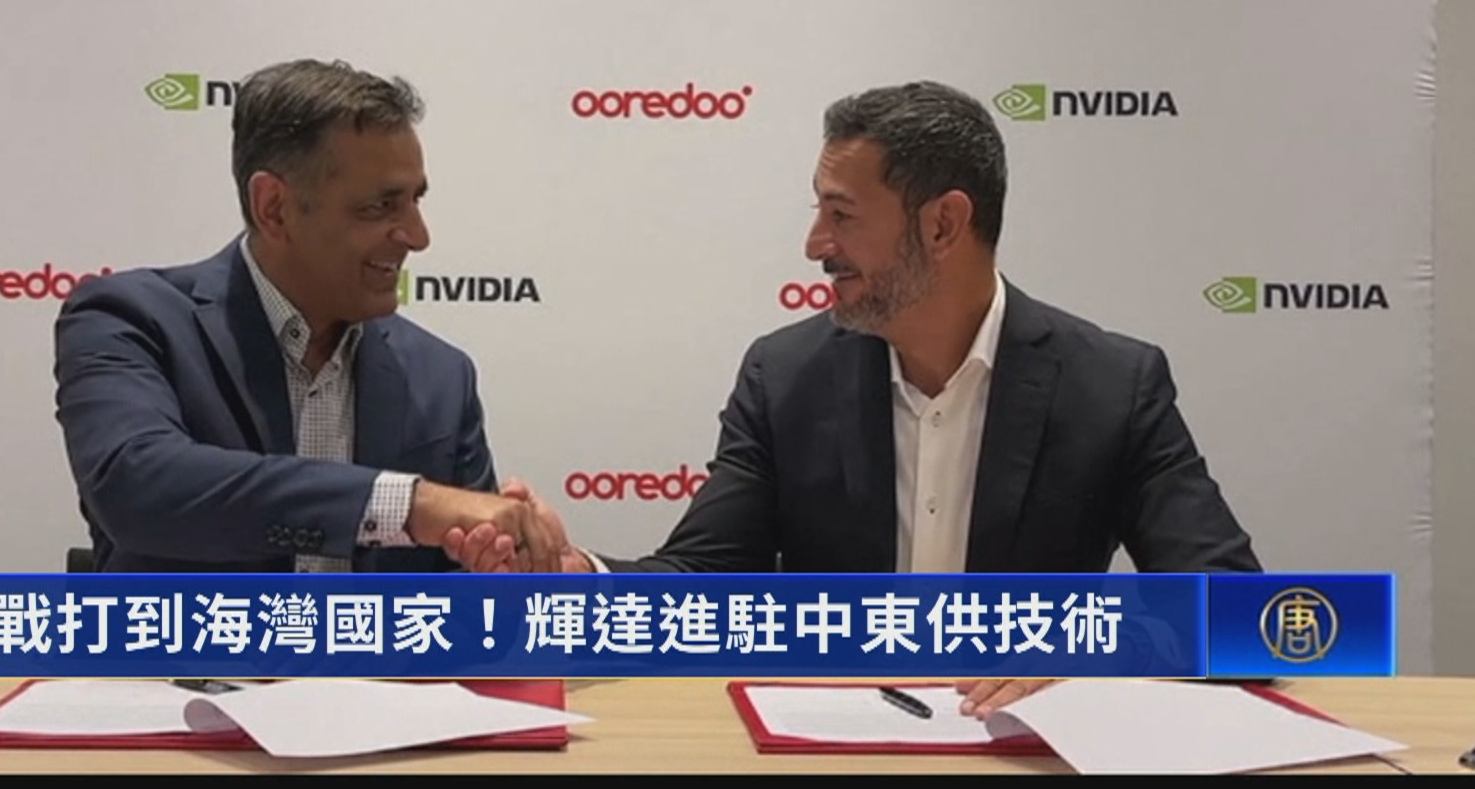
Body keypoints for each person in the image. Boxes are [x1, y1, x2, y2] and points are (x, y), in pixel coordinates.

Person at [445, 80, 1259, 715]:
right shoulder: (786, 376)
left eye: (842, 215)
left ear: (943, 225)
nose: (815, 245)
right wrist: (577, 580)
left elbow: (1242, 612)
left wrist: (1091, 648)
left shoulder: (1110, 384)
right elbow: (705, 582)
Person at [54, 58, 557, 574]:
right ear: (274, 207)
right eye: (381, 206)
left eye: (415, 200)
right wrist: (408, 505)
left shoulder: (441, 376)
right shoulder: (130, 320)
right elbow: (137, 485)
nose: (417, 236)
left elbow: (463, 598)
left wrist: (522, 568)